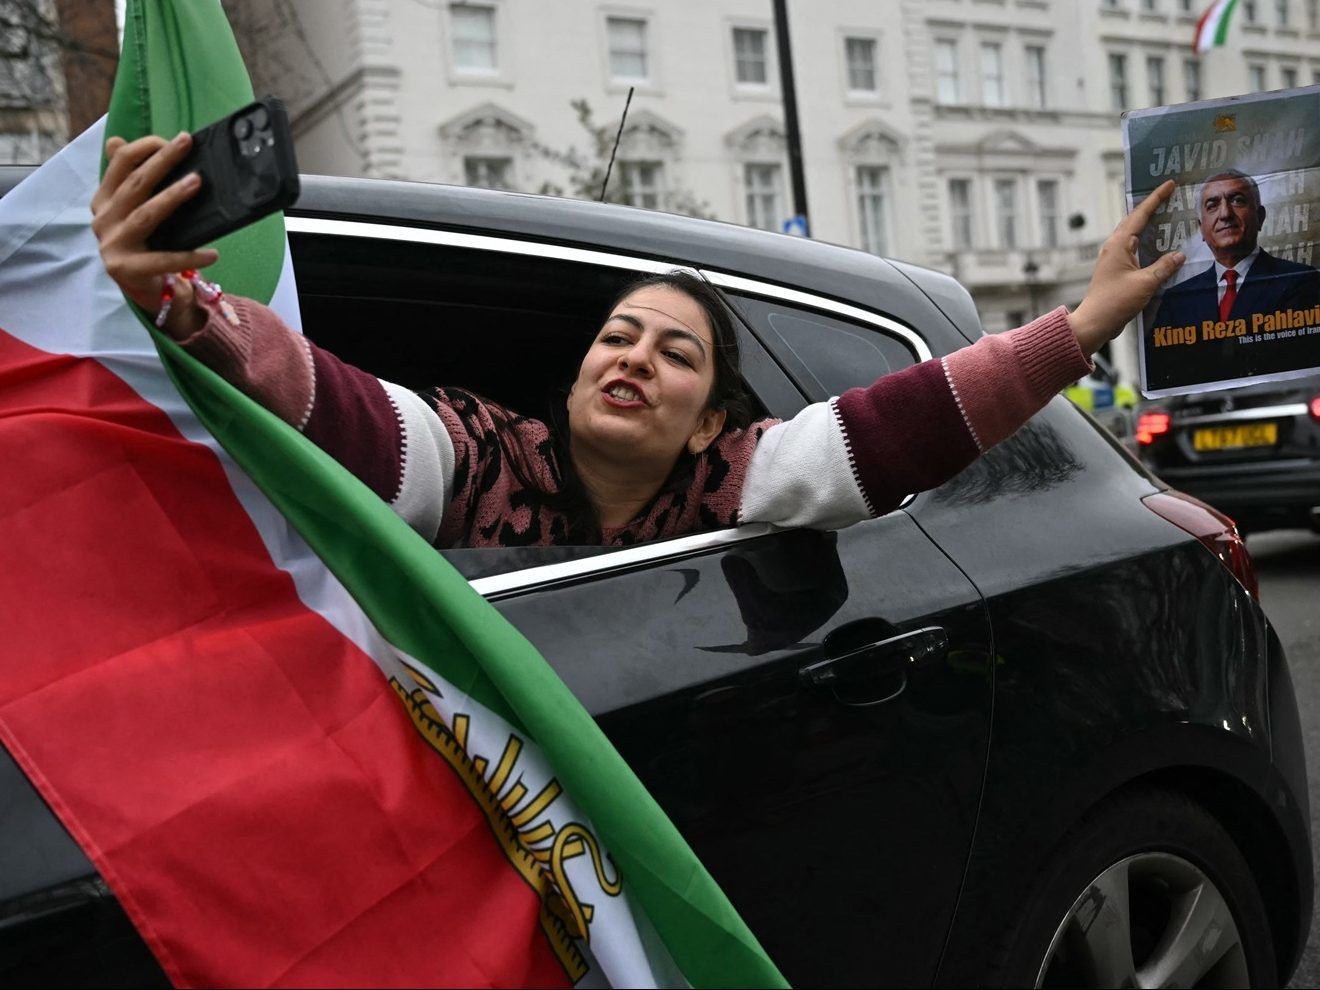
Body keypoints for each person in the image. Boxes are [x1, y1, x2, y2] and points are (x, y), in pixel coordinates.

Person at [93, 132, 1186, 549]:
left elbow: (882, 429)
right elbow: (355, 416)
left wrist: (1078, 330)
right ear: (577, 375)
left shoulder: (728, 486)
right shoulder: (484, 455)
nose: (633, 359)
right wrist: (196, 311)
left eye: (674, 353)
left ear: (714, 418)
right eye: (618, 337)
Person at [1150, 169, 1320, 331]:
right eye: (1212, 205)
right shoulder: (1176, 300)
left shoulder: (1300, 281)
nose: (1225, 214)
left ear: (1259, 217)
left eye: (1237, 200)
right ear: (1201, 229)